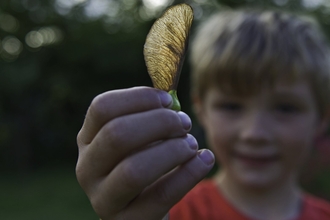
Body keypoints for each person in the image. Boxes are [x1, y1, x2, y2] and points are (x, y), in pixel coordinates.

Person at [76, 8, 330, 220]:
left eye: (285, 108)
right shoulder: (170, 211)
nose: (255, 133)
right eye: (231, 106)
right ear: (201, 110)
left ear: (322, 118)